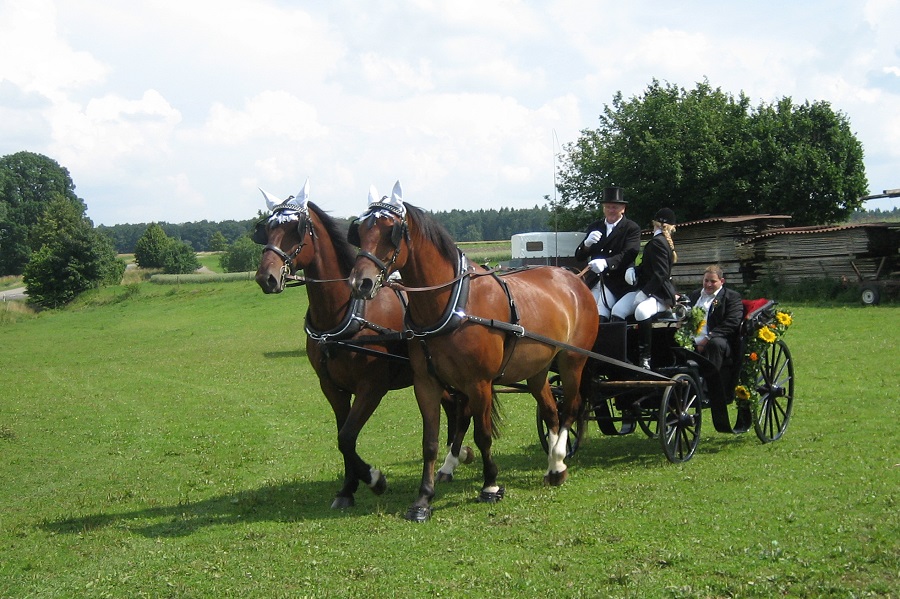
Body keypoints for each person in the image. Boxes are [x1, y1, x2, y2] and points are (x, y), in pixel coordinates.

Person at [611, 207, 678, 369]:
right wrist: (634, 270)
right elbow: (649, 268)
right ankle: (621, 354)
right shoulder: (657, 242)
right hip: (645, 290)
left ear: (654, 224)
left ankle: (645, 359)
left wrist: (645, 292)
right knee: (617, 310)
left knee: (641, 311)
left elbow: (660, 274)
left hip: (659, 294)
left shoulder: (658, 243)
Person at [573, 187, 641, 322]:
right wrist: (586, 245)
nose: (611, 210)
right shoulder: (595, 227)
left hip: (618, 281)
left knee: (602, 312)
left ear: (623, 208)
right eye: (608, 207)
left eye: (614, 207)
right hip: (595, 280)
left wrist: (606, 263)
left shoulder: (631, 228)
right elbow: (579, 256)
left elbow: (628, 254)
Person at [687, 264, 743, 371]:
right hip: (692, 338)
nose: (708, 284)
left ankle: (710, 384)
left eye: (713, 281)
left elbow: (732, 322)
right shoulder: (695, 295)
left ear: (722, 281)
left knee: (715, 344)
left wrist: (708, 338)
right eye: (706, 280)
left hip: (718, 338)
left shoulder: (731, 297)